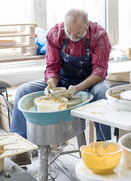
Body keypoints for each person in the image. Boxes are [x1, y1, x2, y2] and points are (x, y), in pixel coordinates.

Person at [11, 9, 112, 143]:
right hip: (62, 81)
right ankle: (20, 145)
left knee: (102, 92)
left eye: (77, 34)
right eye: (68, 32)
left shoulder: (99, 35)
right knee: (24, 90)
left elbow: (99, 71)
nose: (72, 37)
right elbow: (52, 66)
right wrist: (51, 84)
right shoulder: (55, 33)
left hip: (90, 83)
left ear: (86, 26)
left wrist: (77, 88)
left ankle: (103, 145)